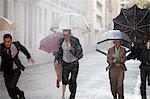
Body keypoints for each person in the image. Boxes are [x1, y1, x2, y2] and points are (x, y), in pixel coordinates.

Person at [0, 34, 35, 99]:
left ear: (11, 41)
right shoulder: (1, 47)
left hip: (16, 69)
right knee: (10, 93)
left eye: (9, 41)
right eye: (6, 41)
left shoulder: (16, 44)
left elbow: (23, 49)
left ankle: (21, 93)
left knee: (12, 86)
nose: (7, 43)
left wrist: (29, 57)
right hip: (6, 71)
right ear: (3, 41)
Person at [55, 29, 83, 99]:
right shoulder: (62, 41)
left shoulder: (75, 40)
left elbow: (80, 52)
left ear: (70, 34)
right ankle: (63, 95)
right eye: (64, 35)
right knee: (64, 80)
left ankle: (72, 96)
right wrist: (57, 59)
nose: (65, 37)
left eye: (67, 35)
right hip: (65, 63)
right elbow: (59, 51)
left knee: (73, 80)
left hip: (74, 64)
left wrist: (72, 49)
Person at [127, 34, 150, 99]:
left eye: (147, 38)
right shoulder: (140, 44)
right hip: (143, 66)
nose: (145, 39)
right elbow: (135, 53)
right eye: (144, 37)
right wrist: (127, 57)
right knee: (143, 83)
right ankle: (143, 97)